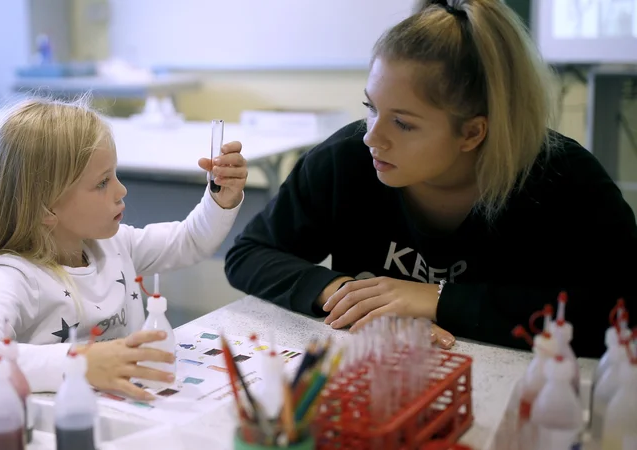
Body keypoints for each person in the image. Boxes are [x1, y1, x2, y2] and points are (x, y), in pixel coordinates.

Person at [224, 0, 637, 358]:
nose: (372, 136)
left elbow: (619, 309)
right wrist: (349, 297)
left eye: (403, 123)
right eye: (371, 107)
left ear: (473, 132)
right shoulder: (346, 159)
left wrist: (438, 300)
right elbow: (249, 253)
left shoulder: (563, 179)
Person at [0, 98, 247, 399]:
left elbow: (190, 241)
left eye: (114, 175)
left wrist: (221, 197)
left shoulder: (114, 245)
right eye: (102, 182)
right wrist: (81, 362)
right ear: (46, 208)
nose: (121, 190)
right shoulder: (13, 276)